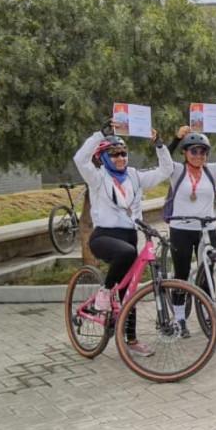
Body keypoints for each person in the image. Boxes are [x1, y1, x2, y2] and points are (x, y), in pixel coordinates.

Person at [74, 120, 174, 357]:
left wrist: (159, 144)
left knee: (130, 291)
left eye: (123, 154)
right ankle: (104, 292)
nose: (120, 158)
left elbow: (166, 170)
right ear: (104, 157)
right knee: (126, 255)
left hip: (129, 236)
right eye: (114, 154)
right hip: (104, 237)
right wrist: (100, 134)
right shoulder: (97, 177)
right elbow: (79, 159)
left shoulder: (135, 176)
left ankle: (131, 339)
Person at [163, 125, 216, 337]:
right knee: (181, 275)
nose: (199, 155)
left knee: (207, 273)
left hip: (207, 229)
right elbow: (163, 160)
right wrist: (175, 138)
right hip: (181, 228)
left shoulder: (212, 170)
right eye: (194, 151)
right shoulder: (177, 171)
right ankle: (179, 318)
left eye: (203, 152)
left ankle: (209, 315)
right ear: (185, 153)